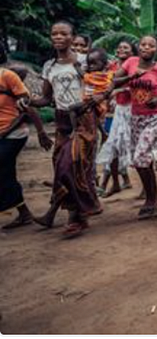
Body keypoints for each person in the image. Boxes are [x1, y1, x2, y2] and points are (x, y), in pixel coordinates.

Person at [32, 21, 103, 237]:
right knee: (60, 166)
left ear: (73, 37)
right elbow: (45, 98)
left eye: (64, 33)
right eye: (54, 33)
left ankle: (78, 216)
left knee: (70, 164)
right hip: (62, 120)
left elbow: (105, 83)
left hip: (84, 119)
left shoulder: (85, 61)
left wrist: (99, 97)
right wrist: (27, 101)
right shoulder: (49, 66)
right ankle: (73, 211)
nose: (58, 37)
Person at [113, 35, 157, 220]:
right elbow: (115, 80)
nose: (146, 47)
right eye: (143, 44)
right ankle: (154, 197)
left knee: (140, 156)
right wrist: (132, 76)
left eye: (151, 45)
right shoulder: (130, 62)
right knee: (141, 160)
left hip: (155, 117)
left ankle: (151, 199)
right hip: (136, 117)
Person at [0, 53, 53, 229]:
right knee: (6, 173)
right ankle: (23, 213)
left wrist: (40, 132)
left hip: (13, 133)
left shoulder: (7, 76)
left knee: (3, 170)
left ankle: (21, 212)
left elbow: (27, 107)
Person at [97, 40, 136, 197]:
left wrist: (118, 90)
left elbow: (135, 84)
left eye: (125, 47)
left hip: (131, 109)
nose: (121, 49)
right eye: (119, 47)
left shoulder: (134, 66)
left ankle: (110, 182)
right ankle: (113, 181)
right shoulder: (112, 66)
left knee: (128, 147)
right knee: (113, 145)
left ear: (132, 52)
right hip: (115, 111)